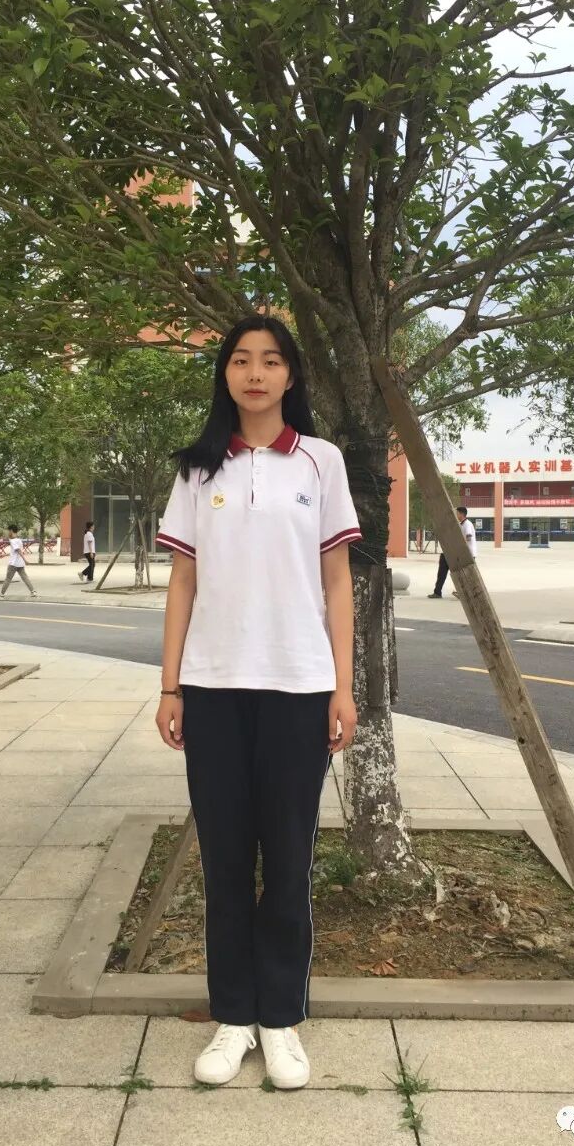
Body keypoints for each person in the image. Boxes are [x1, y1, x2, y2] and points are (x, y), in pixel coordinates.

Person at [154, 314, 361, 1092]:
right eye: (241, 360)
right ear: (226, 375)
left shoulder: (320, 462)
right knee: (226, 859)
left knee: (289, 858)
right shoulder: (197, 469)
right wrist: (170, 685)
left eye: (271, 361)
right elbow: (183, 582)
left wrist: (343, 686)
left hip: (298, 685)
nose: (255, 374)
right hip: (212, 686)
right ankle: (233, 1017)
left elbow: (337, 581)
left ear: (290, 375)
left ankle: (280, 1019)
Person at [428, 506, 477, 597]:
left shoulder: (467, 524)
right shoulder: (461, 524)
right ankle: (437, 591)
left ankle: (464, 593)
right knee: (443, 563)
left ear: (461, 514)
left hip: (466, 554)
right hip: (459, 553)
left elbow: (468, 538)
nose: (455, 515)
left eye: (456, 513)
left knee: (465, 575)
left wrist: (457, 545)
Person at [0, 525, 37, 598]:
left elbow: (18, 551)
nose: (8, 533)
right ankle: (33, 591)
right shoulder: (19, 540)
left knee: (8, 579)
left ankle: (1, 593)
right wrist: (4, 555)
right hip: (20, 564)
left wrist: (25, 560)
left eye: (8, 531)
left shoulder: (13, 541)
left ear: (11, 531)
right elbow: (14, 552)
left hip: (13, 564)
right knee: (25, 578)